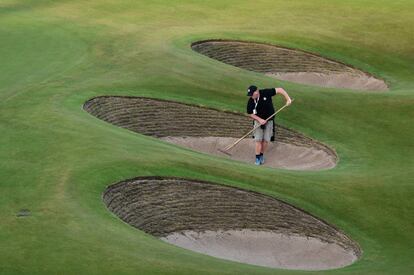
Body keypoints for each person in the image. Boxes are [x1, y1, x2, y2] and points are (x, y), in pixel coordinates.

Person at [246, 85, 292, 165]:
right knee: (258, 140)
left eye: (252, 94)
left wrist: (288, 99)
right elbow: (250, 114)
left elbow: (280, 89)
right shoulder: (251, 101)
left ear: (256, 91)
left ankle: (261, 155)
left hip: (269, 121)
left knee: (266, 140)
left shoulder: (266, 93)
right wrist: (260, 120)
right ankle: (257, 158)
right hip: (258, 122)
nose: (251, 96)